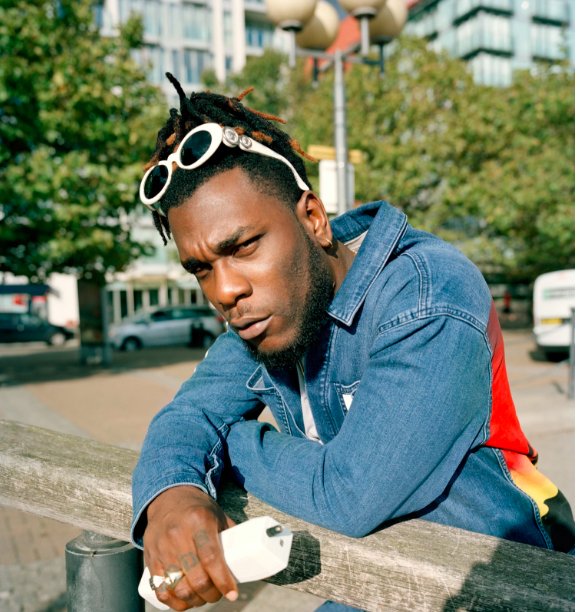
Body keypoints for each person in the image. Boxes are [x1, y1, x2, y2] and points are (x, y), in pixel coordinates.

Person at [131, 74, 574, 611]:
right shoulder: (267, 312)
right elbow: (187, 415)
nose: (225, 290)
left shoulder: (427, 294)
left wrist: (226, 441)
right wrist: (173, 495)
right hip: (386, 575)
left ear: (313, 219)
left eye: (244, 247)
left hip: (513, 576)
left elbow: (347, 494)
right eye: (201, 268)